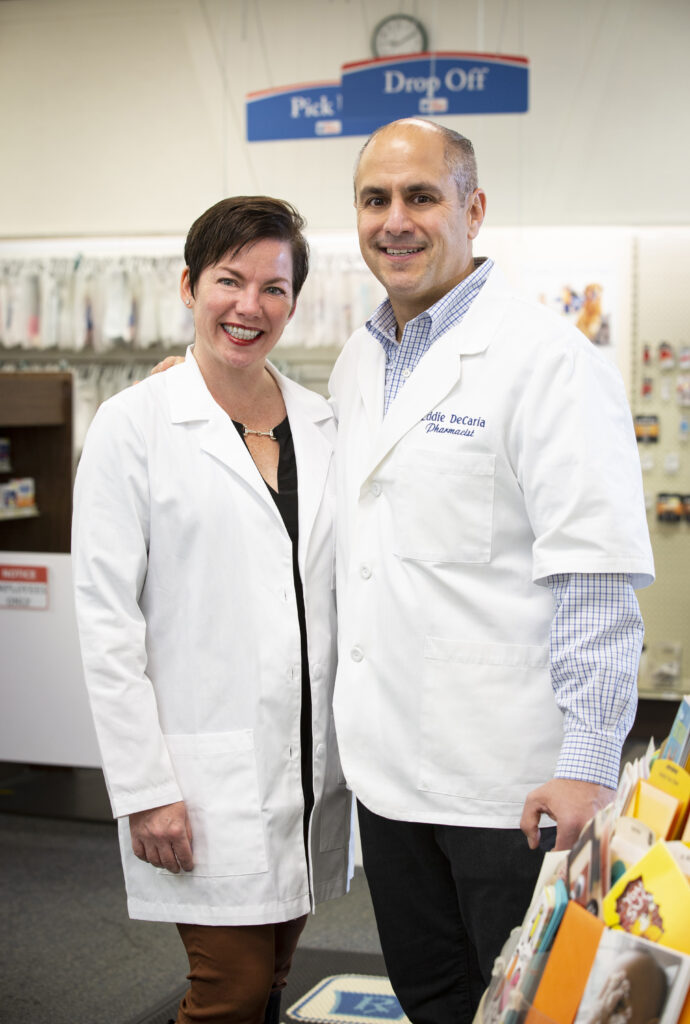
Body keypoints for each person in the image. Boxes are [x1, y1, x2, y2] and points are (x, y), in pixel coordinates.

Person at [327, 118, 654, 1024]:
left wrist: (589, 766)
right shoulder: (361, 359)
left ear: (473, 209)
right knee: (431, 998)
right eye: (375, 199)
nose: (395, 220)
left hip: (513, 787)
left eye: (421, 196)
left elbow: (593, 576)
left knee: (532, 1008)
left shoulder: (549, 361)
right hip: (389, 777)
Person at [72, 196, 351, 1024]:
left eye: (274, 287)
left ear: (293, 302)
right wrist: (144, 789)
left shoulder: (323, 421)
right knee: (225, 993)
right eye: (230, 281)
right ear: (190, 286)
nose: (250, 307)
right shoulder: (135, 426)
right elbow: (105, 620)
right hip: (201, 774)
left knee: (272, 977)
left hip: (308, 769)